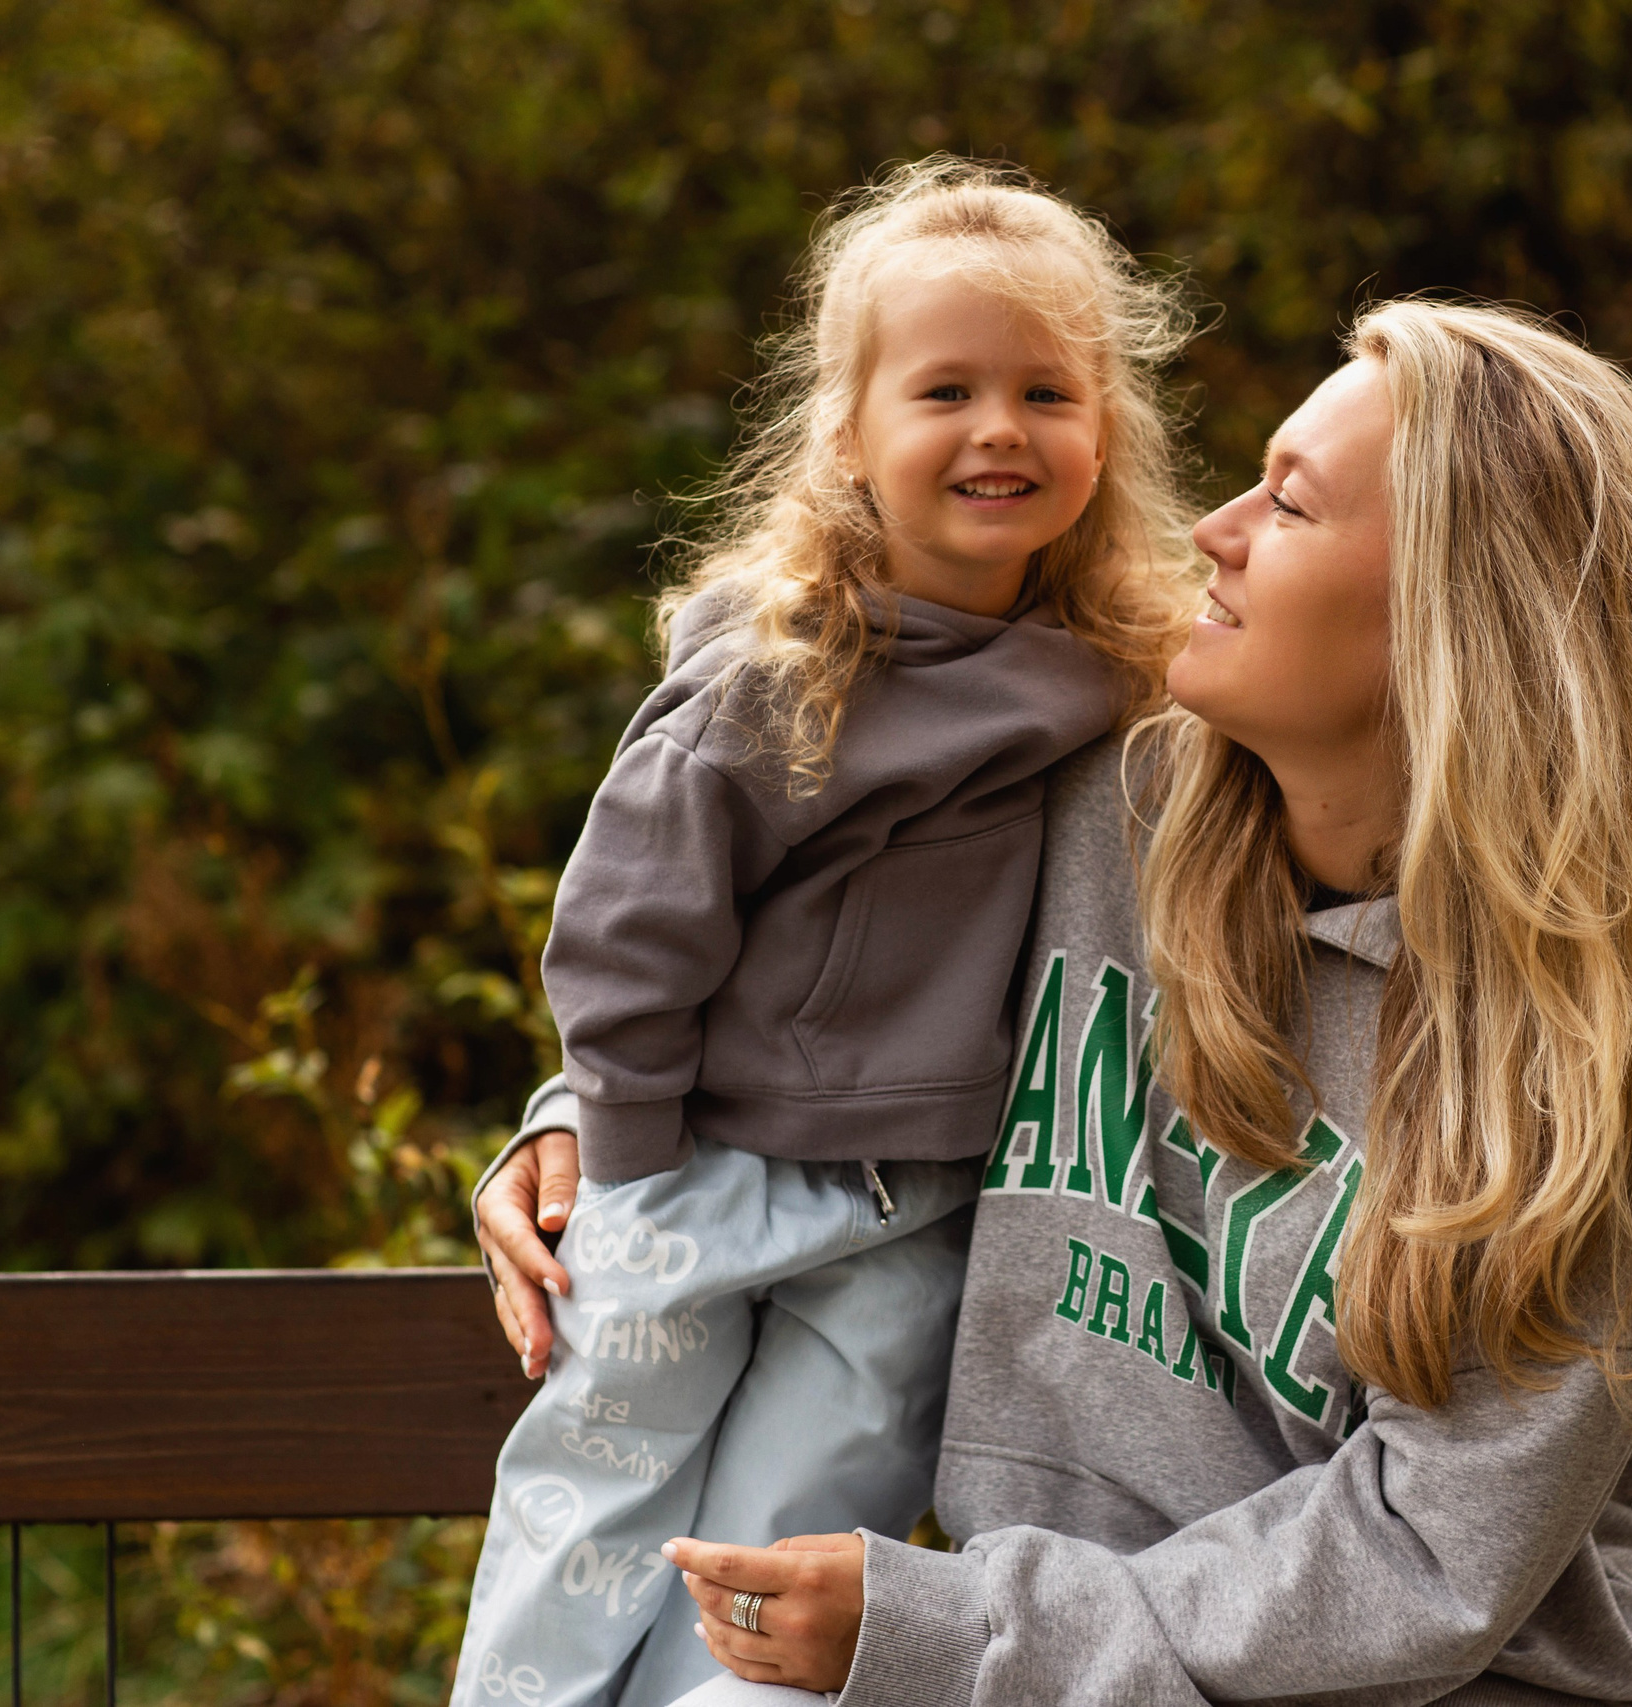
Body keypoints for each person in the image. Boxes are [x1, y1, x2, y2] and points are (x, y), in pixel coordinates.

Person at [485, 299, 1632, 1706]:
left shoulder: (1568, 1087)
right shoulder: (1091, 799)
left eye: (1287, 502)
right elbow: (809, 950)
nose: (1213, 528)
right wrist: (589, 1128)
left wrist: (954, 1630)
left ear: (1453, 618)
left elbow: (1420, 1559)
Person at [451, 158, 1200, 1707]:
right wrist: (630, 1156)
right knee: (600, 1508)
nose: (1000, 429)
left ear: (1104, 430)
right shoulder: (779, 669)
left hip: (925, 1198)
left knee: (787, 1551)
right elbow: (625, 926)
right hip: (707, 1166)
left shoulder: (1122, 677)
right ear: (849, 435)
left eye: (1048, 393)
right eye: (946, 390)